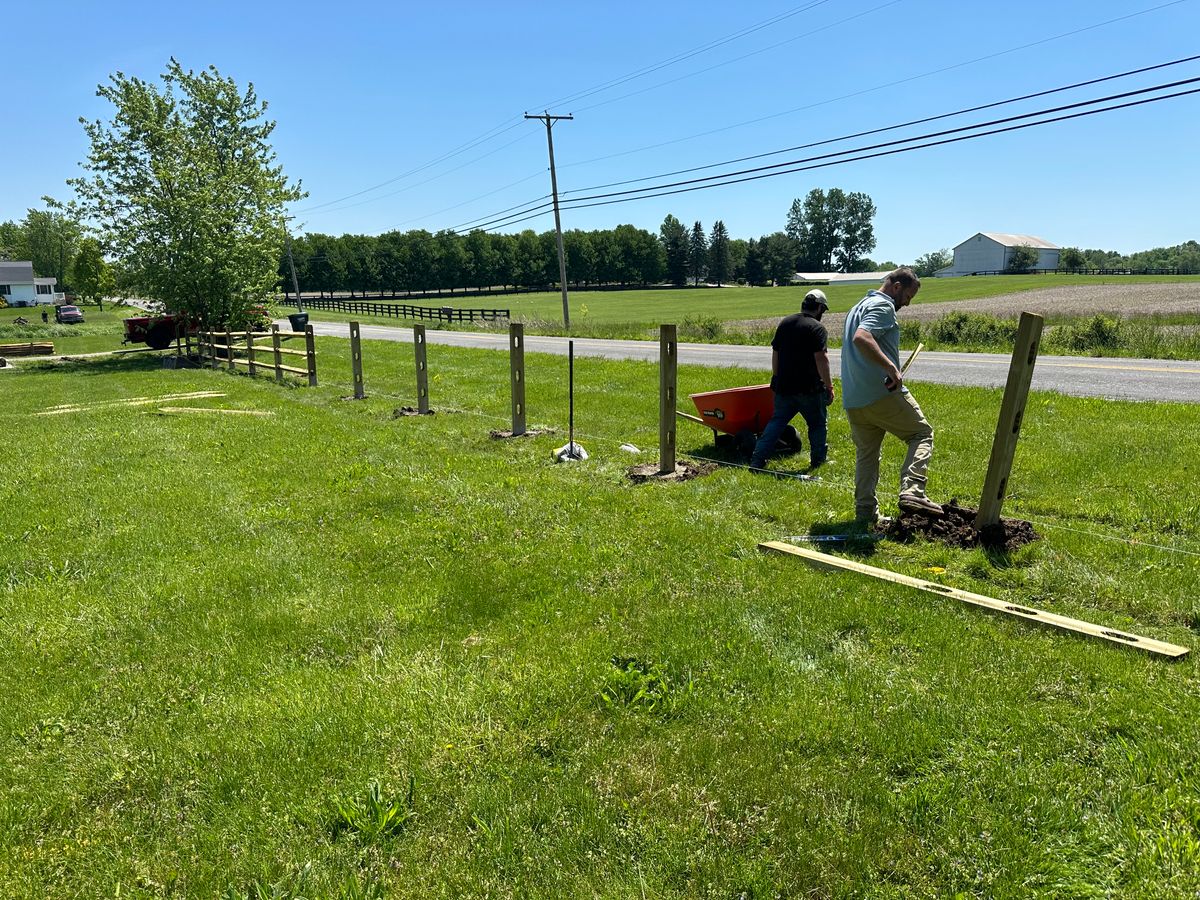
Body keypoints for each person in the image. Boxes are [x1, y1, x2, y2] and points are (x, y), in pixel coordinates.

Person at [841, 267, 942, 524]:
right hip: (880, 394)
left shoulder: (857, 307)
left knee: (867, 456)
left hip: (854, 398)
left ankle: (865, 514)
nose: (907, 303)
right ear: (897, 287)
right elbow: (862, 338)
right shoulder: (883, 306)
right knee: (921, 434)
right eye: (908, 296)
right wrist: (890, 367)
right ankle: (913, 491)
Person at [750, 288, 834, 471]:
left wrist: (776, 377)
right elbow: (821, 359)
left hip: (784, 387)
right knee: (817, 424)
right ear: (820, 308)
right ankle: (818, 460)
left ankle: (757, 460)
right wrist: (829, 386)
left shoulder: (786, 323)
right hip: (810, 389)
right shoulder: (817, 328)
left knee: (776, 422)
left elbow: (776, 353)